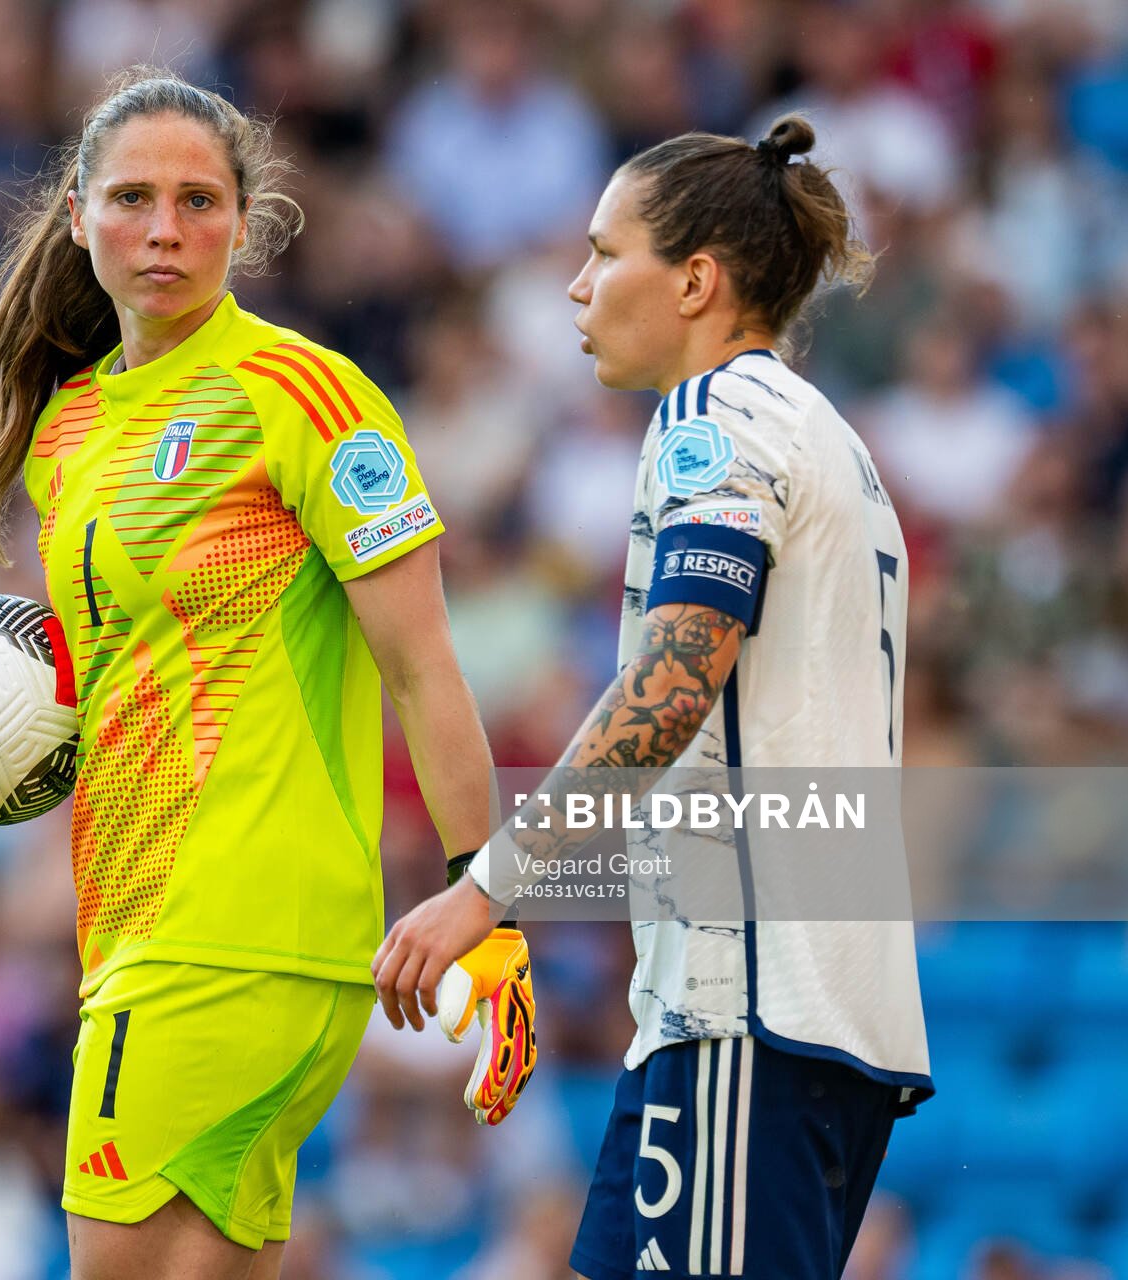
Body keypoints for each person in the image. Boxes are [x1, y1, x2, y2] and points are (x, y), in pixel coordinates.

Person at [0, 71, 529, 1280]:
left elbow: (424, 667)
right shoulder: (64, 434)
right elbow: (110, 701)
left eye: (199, 200)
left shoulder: (303, 397)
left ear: (245, 222)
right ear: (77, 214)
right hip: (144, 926)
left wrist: (490, 898)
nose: (165, 229)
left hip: (232, 932)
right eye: (134, 198)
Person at [373, 116, 933, 1279]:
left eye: (603, 253)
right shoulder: (826, 434)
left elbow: (675, 681)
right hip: (766, 1003)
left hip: (751, 1004)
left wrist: (486, 887)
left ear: (693, 282)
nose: (576, 287)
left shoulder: (715, 418)